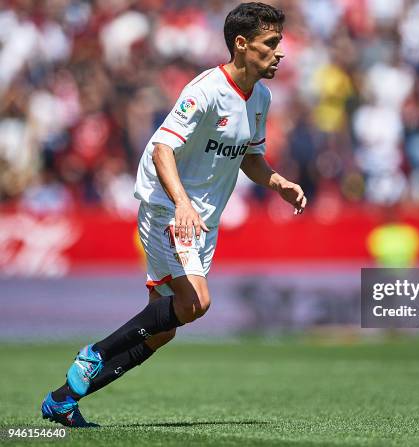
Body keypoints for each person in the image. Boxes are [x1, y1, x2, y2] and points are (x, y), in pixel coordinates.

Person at [41, 2, 306, 427]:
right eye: (270, 43)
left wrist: (279, 183)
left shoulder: (261, 96)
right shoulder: (205, 90)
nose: (280, 52)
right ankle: (96, 353)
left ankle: (63, 399)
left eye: (280, 43)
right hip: (170, 207)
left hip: (202, 219)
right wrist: (181, 202)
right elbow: (163, 147)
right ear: (241, 44)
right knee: (196, 301)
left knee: (163, 328)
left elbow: (250, 157)